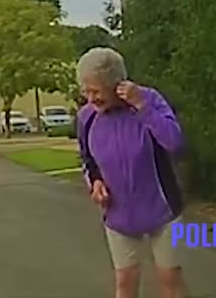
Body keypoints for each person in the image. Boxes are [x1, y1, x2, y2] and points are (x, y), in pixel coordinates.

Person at [76, 47, 186, 298]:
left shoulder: (148, 99)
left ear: (117, 86)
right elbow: (87, 158)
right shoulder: (86, 118)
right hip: (119, 215)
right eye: (86, 91)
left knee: (170, 281)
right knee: (124, 284)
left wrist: (141, 106)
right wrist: (95, 183)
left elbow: (175, 143)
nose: (91, 99)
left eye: (96, 92)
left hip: (163, 209)